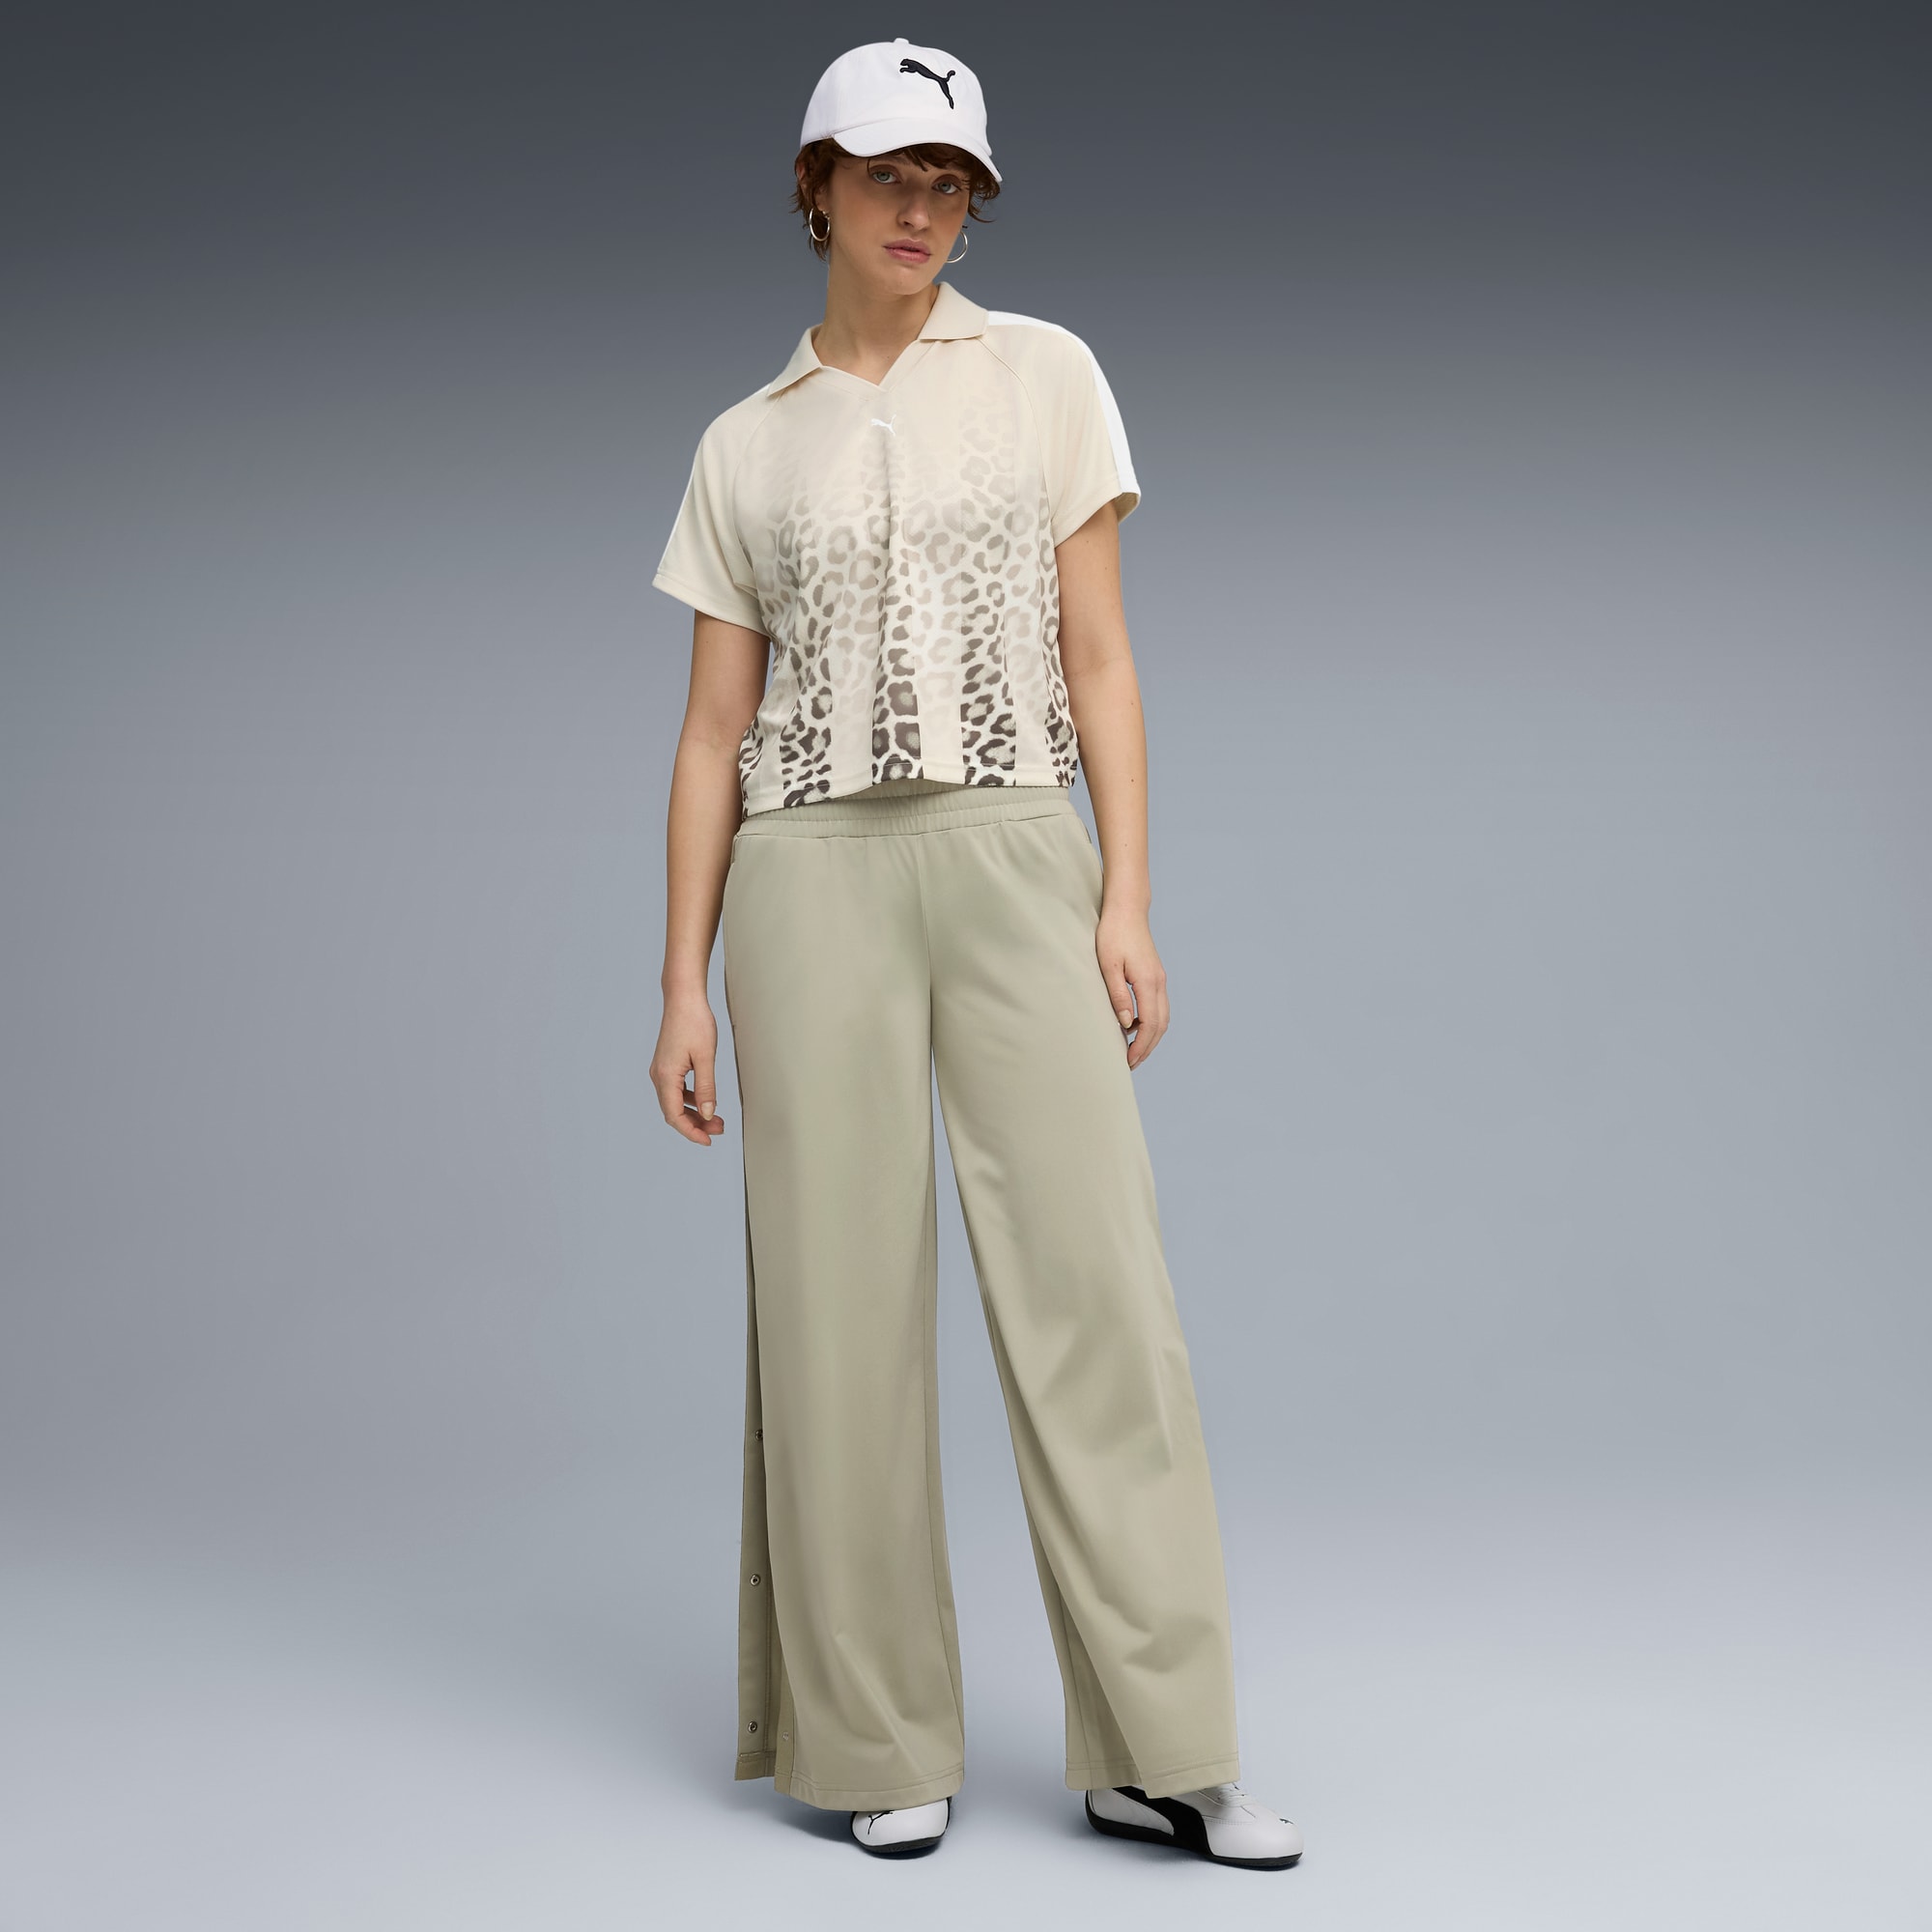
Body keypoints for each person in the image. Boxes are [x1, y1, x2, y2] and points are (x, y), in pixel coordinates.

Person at [648, 38, 1303, 1871]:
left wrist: (1126, 895)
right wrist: (681, 980)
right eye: (889, 175)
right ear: (817, 188)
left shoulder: (1047, 376)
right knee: (836, 1310)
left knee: (1099, 1296)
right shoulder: (744, 441)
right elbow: (712, 733)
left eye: (950, 182)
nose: (922, 209)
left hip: (1018, 851)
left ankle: (1162, 1748)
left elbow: (1102, 656)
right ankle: (875, 1739)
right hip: (806, 878)